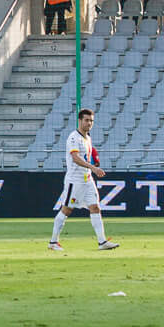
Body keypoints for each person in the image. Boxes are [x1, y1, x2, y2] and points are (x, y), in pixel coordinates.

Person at [48, 108, 119, 252]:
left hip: (87, 179)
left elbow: (90, 150)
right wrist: (93, 167)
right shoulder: (74, 137)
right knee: (66, 210)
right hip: (75, 181)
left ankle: (102, 241)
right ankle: (53, 242)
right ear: (80, 121)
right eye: (86, 120)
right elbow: (75, 157)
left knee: (95, 207)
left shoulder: (87, 137)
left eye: (91, 121)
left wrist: (95, 157)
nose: (89, 123)